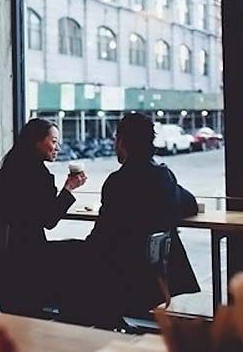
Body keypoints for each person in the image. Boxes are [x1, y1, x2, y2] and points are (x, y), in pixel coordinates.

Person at [60, 113, 199, 327]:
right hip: (153, 275)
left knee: (66, 258)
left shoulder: (117, 182)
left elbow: (100, 239)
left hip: (121, 273)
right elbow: (189, 203)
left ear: (122, 141)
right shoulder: (163, 176)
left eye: (116, 138)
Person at [0, 118, 87, 318]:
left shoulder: (9, 170)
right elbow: (49, 220)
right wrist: (69, 188)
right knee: (80, 252)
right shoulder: (40, 176)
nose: (57, 147)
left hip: (2, 264)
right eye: (53, 141)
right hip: (27, 265)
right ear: (36, 142)